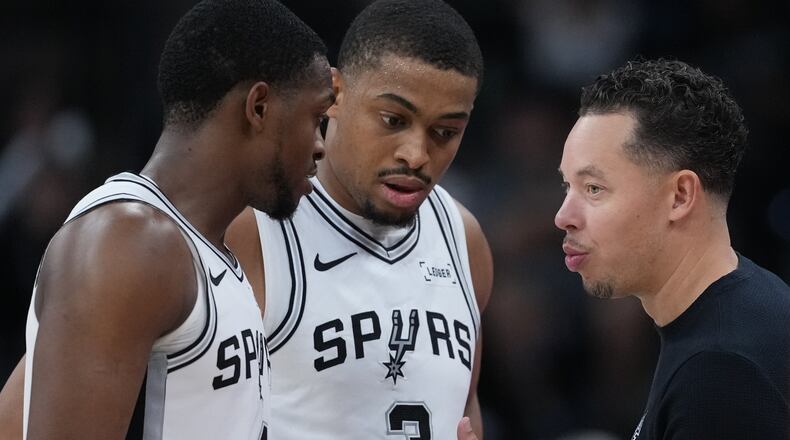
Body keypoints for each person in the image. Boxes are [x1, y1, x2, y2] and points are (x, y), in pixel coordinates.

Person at [5, 0, 334, 438]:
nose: (320, 146)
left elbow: (14, 417)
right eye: (317, 119)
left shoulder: (197, 250)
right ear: (258, 107)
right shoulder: (130, 240)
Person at [223, 0, 493, 438]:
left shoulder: (464, 239)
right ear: (335, 93)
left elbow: (465, 415)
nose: (417, 154)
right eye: (393, 120)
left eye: (445, 133)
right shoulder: (253, 228)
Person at [555, 58, 790, 438]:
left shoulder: (720, 372)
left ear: (680, 196)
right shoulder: (748, 309)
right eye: (567, 187)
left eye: (594, 188)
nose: (563, 216)